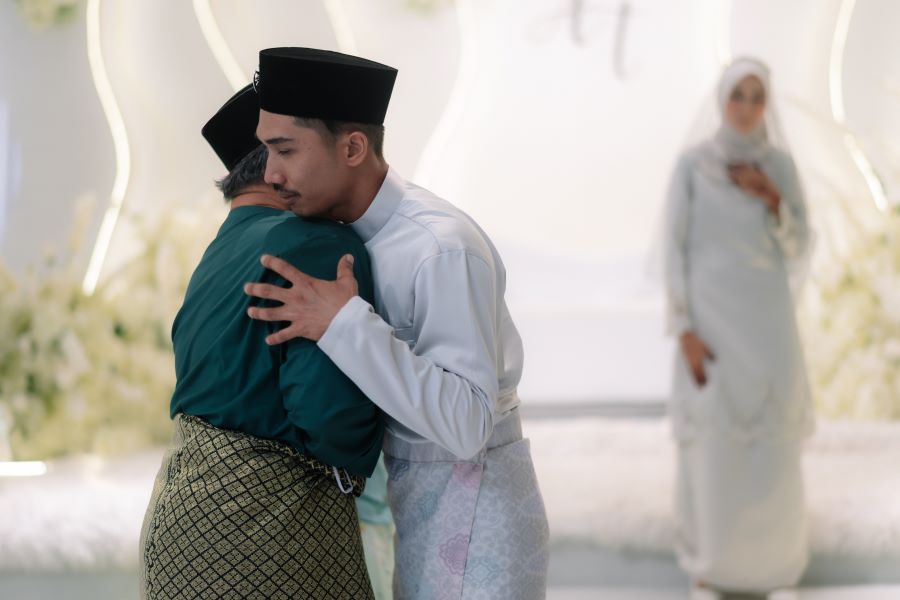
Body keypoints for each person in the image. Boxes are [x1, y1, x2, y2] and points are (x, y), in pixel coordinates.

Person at [244, 47, 550, 599]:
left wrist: (342, 324)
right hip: (421, 514)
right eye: (266, 150)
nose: (270, 174)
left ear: (353, 147)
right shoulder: (345, 236)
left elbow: (468, 424)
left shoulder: (440, 249)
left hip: (478, 523)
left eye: (284, 150)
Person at [140, 83, 381, 600]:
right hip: (263, 533)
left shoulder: (218, 249)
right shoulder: (317, 242)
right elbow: (331, 422)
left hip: (177, 525)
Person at [663, 57, 814, 600]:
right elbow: (673, 249)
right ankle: (711, 565)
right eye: (738, 95)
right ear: (721, 99)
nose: (747, 108)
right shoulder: (692, 166)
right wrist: (683, 327)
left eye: (757, 97)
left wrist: (770, 197)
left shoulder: (780, 167)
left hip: (767, 325)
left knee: (771, 447)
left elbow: (800, 247)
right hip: (711, 325)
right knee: (711, 444)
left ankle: (774, 567)